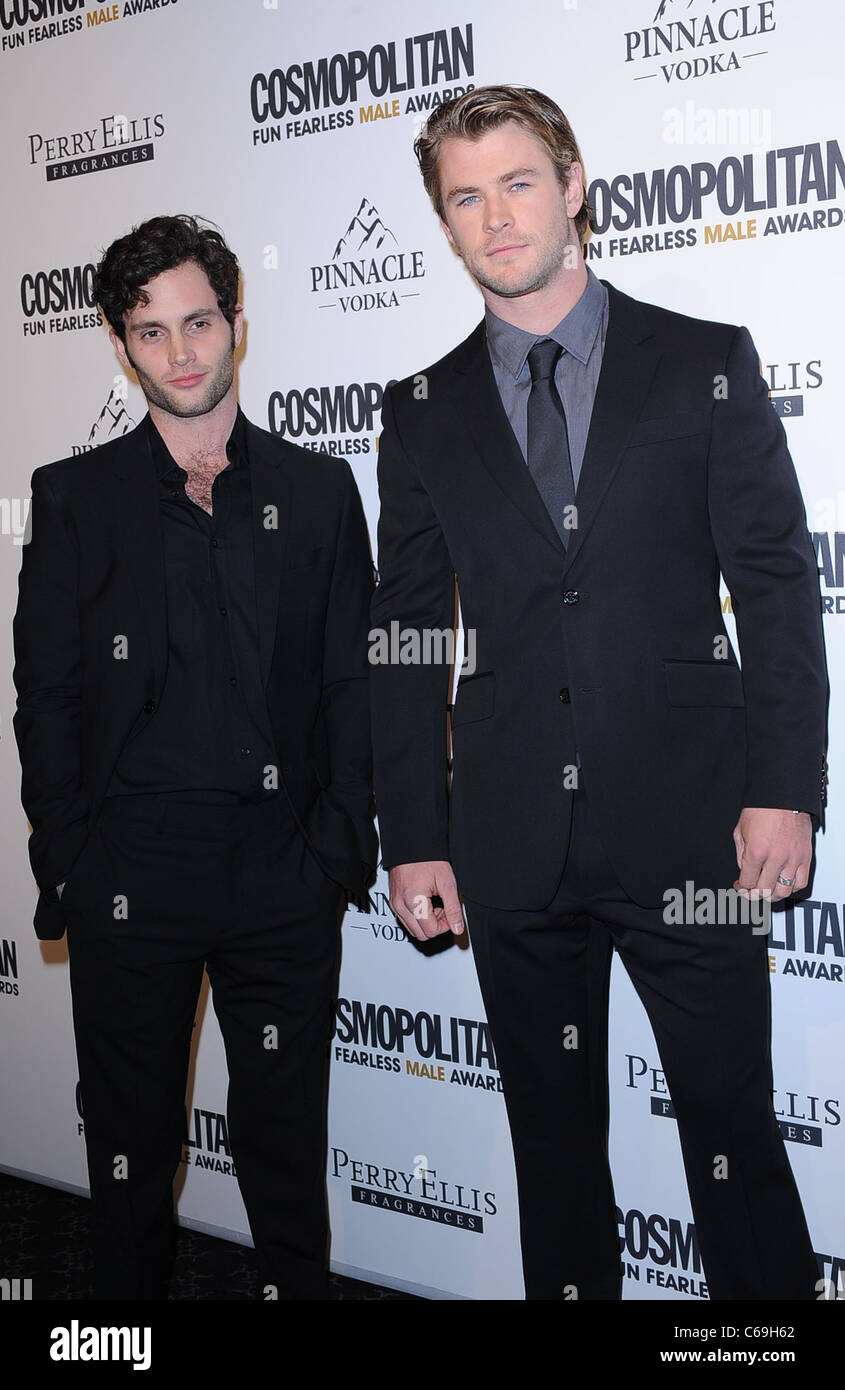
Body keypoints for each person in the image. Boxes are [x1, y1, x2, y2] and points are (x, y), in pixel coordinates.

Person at [369, 86, 828, 1300]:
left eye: (517, 182)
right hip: (512, 837)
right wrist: (412, 830)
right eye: (464, 197)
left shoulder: (701, 362)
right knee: (552, 1152)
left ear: (572, 186)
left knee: (730, 1137)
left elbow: (775, 588)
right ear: (445, 223)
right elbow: (407, 633)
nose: (495, 215)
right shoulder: (417, 411)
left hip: (694, 829)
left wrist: (784, 789)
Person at [13, 214, 377, 1300]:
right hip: (133, 874)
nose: (181, 352)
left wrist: (332, 850)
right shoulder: (74, 497)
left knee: (282, 1149)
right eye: (150, 330)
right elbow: (49, 697)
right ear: (122, 348)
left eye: (199, 322)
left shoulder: (316, 492)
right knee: (127, 1156)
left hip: (283, 871)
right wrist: (73, 856)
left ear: (236, 326)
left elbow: (353, 686)